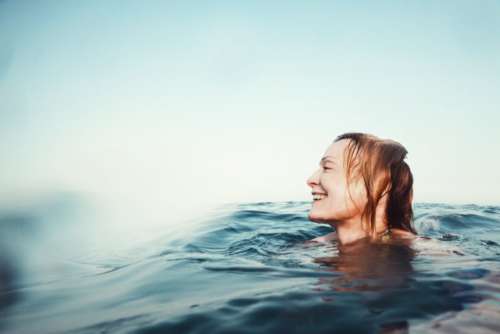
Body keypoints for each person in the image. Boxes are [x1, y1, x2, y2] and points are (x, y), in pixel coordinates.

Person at [306, 132, 417, 246]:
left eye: (327, 167)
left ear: (380, 183)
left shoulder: (425, 251)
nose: (310, 180)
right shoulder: (312, 246)